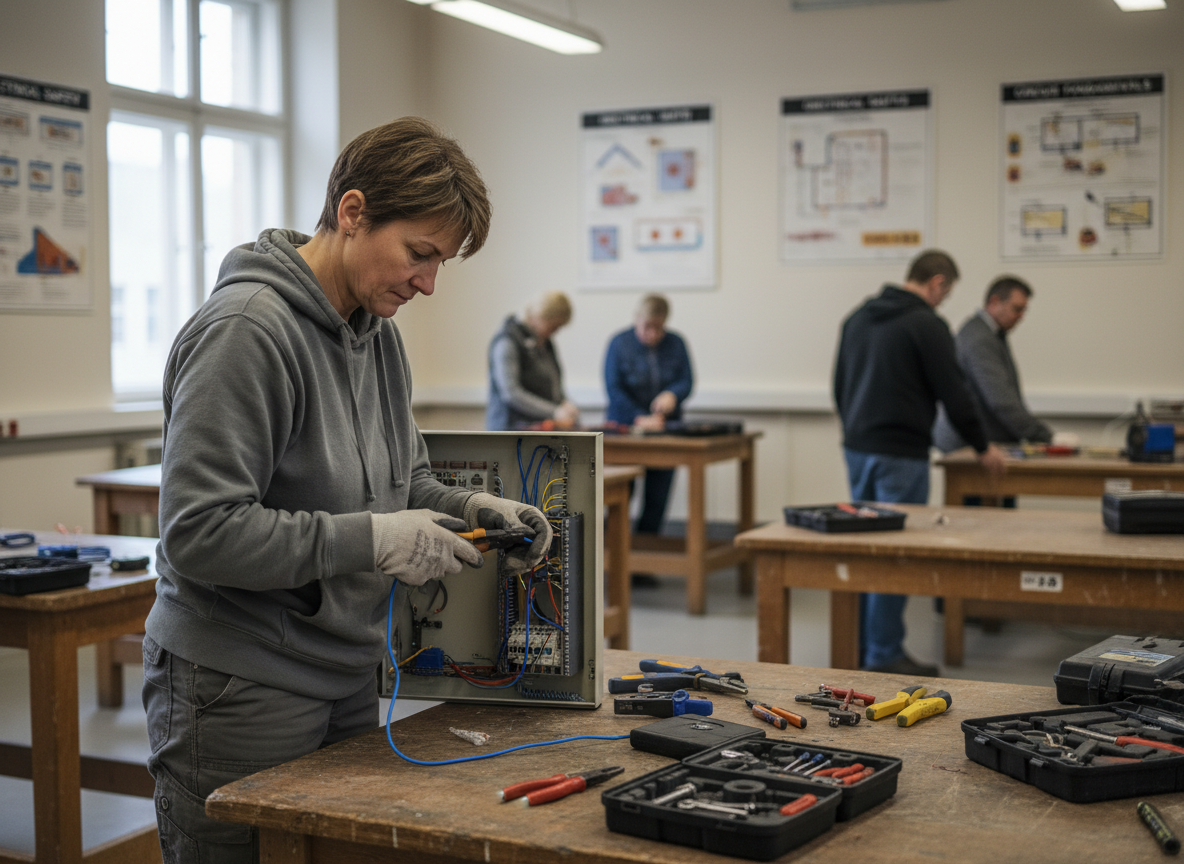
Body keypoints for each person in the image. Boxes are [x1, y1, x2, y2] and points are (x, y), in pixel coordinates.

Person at [142, 118, 552, 863]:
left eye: (442, 264)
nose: (428, 282)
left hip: (343, 675)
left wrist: (474, 510)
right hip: (240, 684)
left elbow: (405, 481)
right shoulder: (246, 330)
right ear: (354, 212)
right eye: (420, 254)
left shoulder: (375, 329)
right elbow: (200, 533)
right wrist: (373, 538)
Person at [833, 249, 1006, 677]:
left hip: (857, 447)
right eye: (945, 294)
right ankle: (884, 653)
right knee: (894, 554)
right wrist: (983, 445)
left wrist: (855, 430)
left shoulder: (856, 318)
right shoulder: (927, 324)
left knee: (864, 548)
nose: (943, 302)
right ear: (937, 283)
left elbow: (839, 384)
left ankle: (859, 648)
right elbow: (955, 391)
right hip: (901, 453)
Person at [604, 293, 694, 536]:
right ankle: (614, 554)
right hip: (624, 431)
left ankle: (645, 556)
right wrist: (639, 417)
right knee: (620, 493)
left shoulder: (676, 343)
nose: (652, 334)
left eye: (658, 328)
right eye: (646, 327)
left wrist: (672, 395)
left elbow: (686, 380)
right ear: (636, 319)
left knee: (658, 497)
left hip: (665, 432)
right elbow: (613, 389)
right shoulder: (618, 343)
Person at [933, 275, 1053, 454]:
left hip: (972, 443)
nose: (1021, 317)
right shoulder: (980, 339)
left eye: (1024, 310)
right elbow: (1001, 400)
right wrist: (1042, 435)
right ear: (994, 302)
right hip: (966, 447)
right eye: (1017, 309)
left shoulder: (987, 333)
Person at [486, 291, 579, 430]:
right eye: (554, 326)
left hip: (540, 428)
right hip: (510, 430)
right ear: (539, 316)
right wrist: (554, 411)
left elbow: (553, 384)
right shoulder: (507, 341)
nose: (556, 332)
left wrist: (564, 403)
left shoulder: (545, 342)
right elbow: (511, 393)